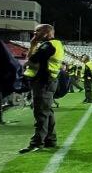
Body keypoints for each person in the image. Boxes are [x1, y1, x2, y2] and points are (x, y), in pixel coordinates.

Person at [21, 24, 64, 153]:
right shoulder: (55, 44)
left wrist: (33, 44)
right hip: (49, 81)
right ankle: (50, 140)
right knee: (47, 111)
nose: (34, 33)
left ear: (46, 33)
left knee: (41, 113)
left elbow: (31, 60)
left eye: (37, 31)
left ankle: (37, 142)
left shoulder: (48, 45)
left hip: (44, 81)